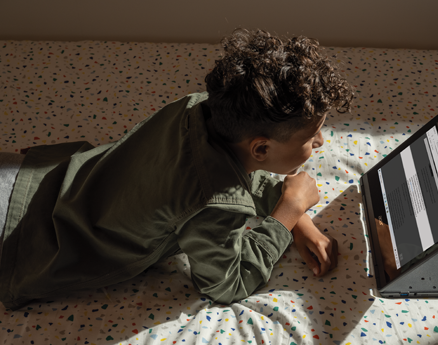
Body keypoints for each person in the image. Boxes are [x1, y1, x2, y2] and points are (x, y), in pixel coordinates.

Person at [0, 28, 353, 310]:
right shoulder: (213, 204)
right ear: (261, 147)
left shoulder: (199, 107)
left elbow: (239, 169)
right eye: (311, 135)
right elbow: (226, 284)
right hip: (20, 244)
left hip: (30, 178)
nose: (320, 141)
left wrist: (297, 218)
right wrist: (286, 215)